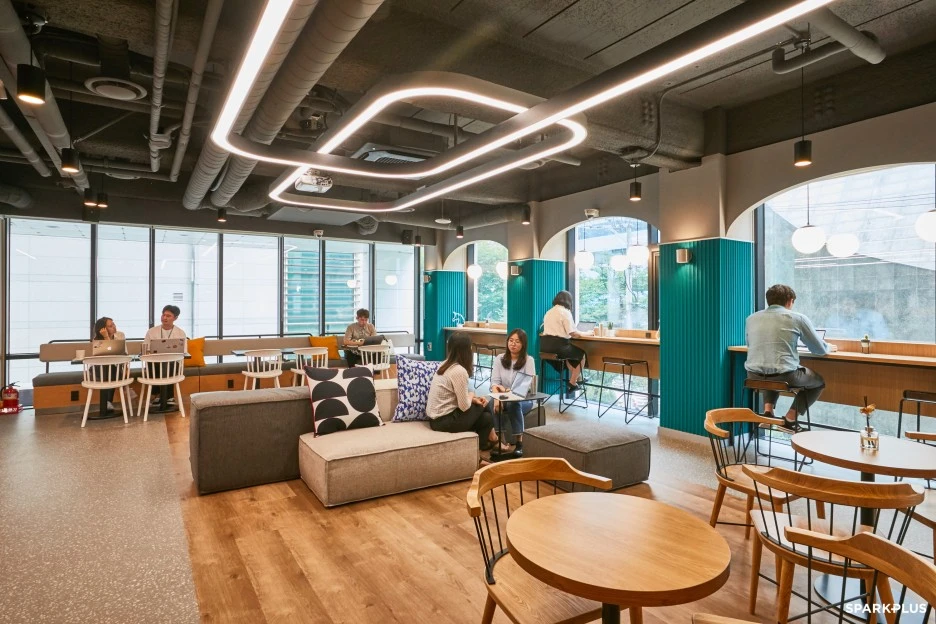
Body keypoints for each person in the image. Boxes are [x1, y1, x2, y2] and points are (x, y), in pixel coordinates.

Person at [745, 284, 837, 431]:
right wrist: (829, 347)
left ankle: (768, 414)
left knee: (769, 370)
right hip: (784, 376)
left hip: (752, 376)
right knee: (818, 382)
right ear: (790, 300)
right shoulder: (797, 318)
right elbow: (818, 349)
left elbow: (750, 344)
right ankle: (790, 419)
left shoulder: (751, 318)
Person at [426, 331, 498, 451]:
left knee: (486, 418)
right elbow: (464, 407)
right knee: (484, 404)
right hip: (444, 421)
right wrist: (471, 395)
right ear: (466, 350)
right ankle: (495, 439)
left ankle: (482, 445)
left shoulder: (444, 364)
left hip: (436, 420)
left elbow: (455, 398)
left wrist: (473, 400)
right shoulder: (459, 371)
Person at [490, 329, 536, 454]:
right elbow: (494, 383)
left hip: (524, 399)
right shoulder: (499, 359)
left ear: (523, 344)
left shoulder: (529, 360)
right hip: (503, 396)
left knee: (513, 403)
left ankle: (519, 443)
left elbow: (526, 385)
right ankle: (501, 441)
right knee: (492, 402)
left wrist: (505, 390)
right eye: (511, 340)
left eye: (517, 341)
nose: (513, 344)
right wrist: (496, 399)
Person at [540, 290, 588, 395]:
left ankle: (578, 378)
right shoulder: (565, 312)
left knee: (569, 356)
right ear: (568, 301)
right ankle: (572, 383)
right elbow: (573, 333)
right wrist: (587, 333)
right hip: (558, 346)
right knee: (581, 355)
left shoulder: (549, 312)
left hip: (544, 346)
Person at [144, 305, 187, 407]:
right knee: (155, 364)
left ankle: (160, 395)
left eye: (168, 316)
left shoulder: (180, 333)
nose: (164, 318)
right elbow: (146, 348)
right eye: (163, 315)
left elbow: (184, 351)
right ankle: (166, 396)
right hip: (155, 363)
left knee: (169, 364)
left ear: (175, 318)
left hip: (173, 364)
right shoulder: (152, 331)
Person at [91, 317, 126, 412]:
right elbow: (104, 357)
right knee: (108, 367)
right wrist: (106, 337)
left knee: (112, 367)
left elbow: (124, 354)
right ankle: (107, 402)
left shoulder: (120, 335)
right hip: (98, 369)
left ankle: (107, 402)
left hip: (115, 368)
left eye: (113, 324)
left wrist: (126, 369)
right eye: (110, 326)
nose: (114, 327)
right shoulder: (97, 340)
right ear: (103, 329)